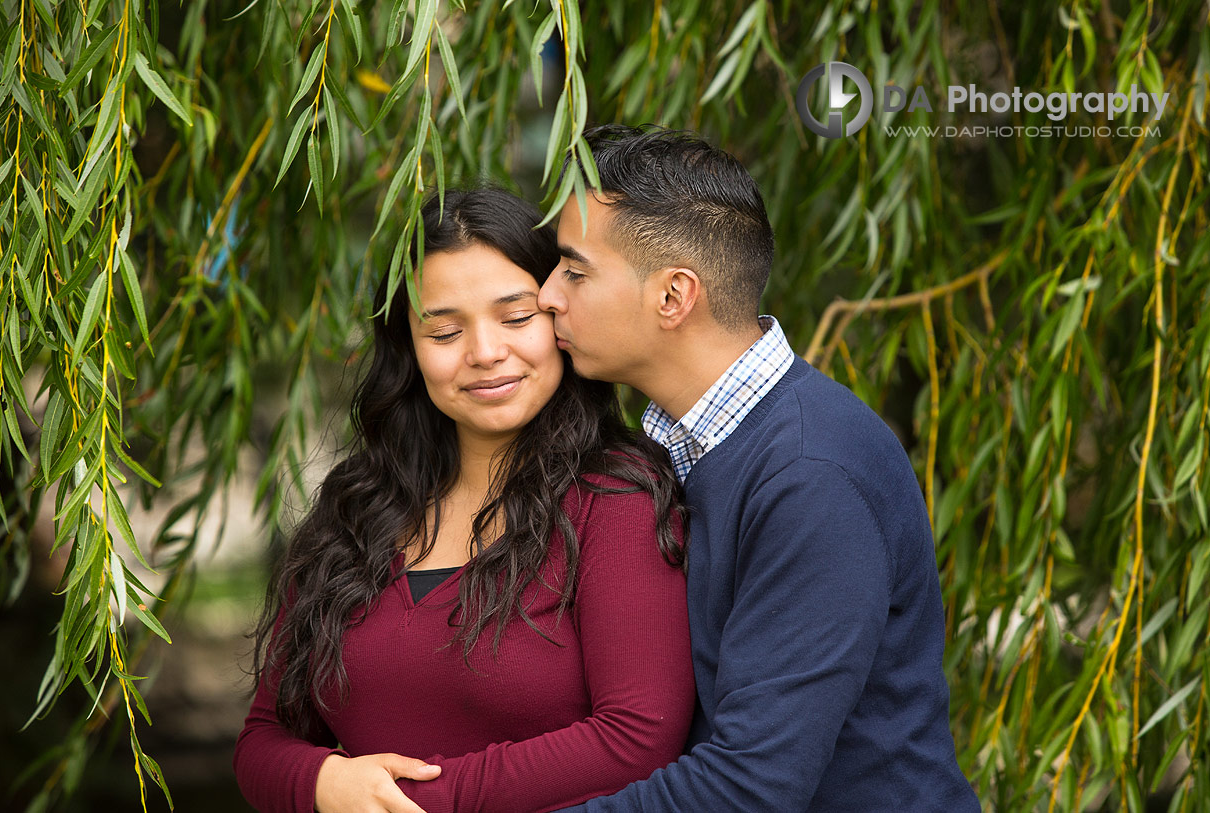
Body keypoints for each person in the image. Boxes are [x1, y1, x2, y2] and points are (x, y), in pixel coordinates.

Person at [535, 125, 981, 811]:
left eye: (575, 270)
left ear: (673, 297)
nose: (546, 295)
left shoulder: (812, 473)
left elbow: (750, 784)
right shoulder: (680, 449)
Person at [233, 187, 695, 813]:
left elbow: (639, 738)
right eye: (445, 330)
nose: (484, 353)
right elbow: (264, 741)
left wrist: (414, 802)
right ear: (410, 348)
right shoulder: (356, 509)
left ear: (560, 314)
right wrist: (324, 785)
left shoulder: (615, 500)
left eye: (515, 317)